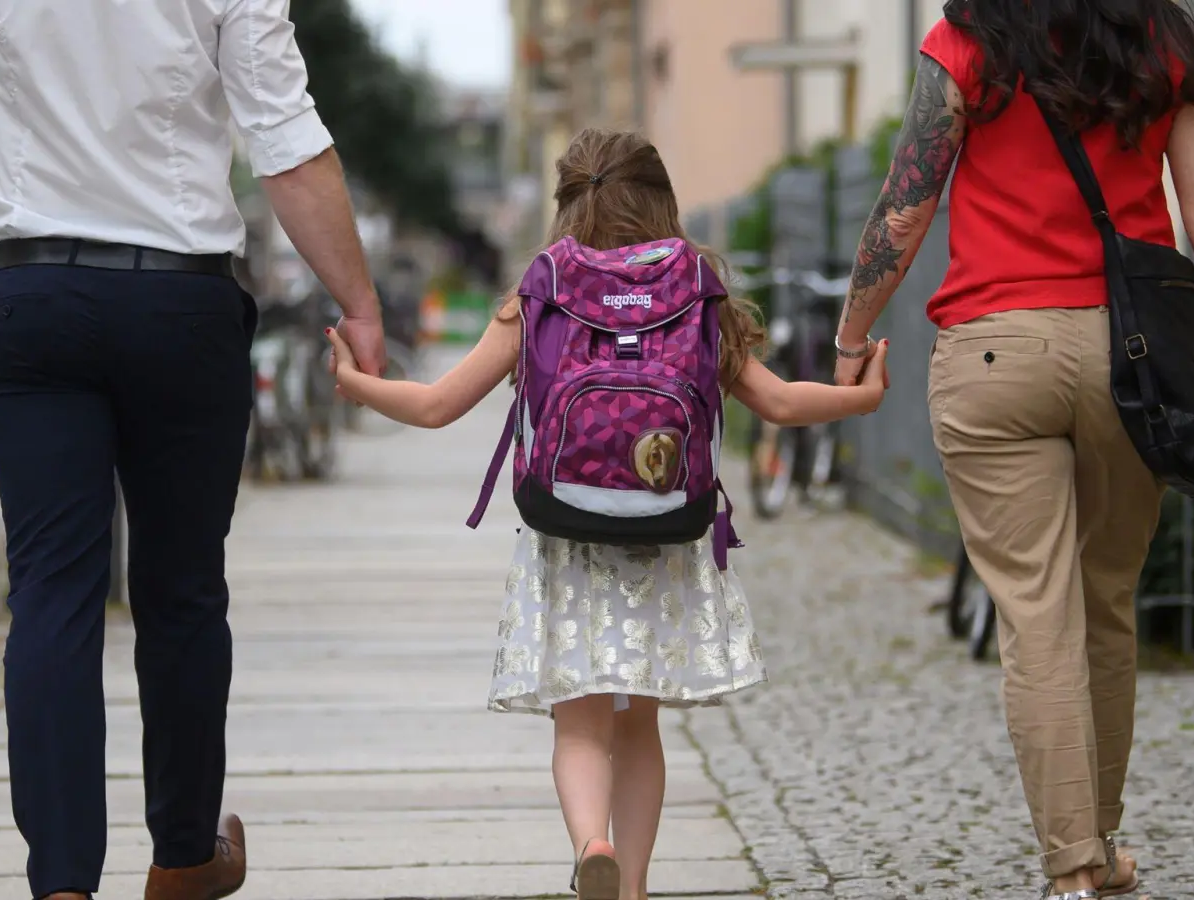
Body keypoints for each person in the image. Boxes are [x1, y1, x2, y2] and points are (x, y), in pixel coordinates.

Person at [0, 3, 388, 899]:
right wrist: (362, 306)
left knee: (50, 593)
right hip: (182, 300)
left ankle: (63, 884)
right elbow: (288, 143)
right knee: (182, 593)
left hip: (41, 293)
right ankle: (184, 856)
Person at [323, 128, 889, 900]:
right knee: (639, 728)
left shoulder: (545, 283)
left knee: (580, 724)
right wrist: (861, 396)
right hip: (663, 532)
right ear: (661, 199)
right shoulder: (693, 281)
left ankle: (593, 843)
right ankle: (637, 887)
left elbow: (436, 405)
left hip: (567, 533)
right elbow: (781, 401)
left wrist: (359, 385)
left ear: (567, 203)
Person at [832, 3, 1194, 899]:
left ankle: (1073, 871)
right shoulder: (1168, 39)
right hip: (1134, 359)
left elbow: (905, 201)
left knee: (1036, 617)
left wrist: (851, 340)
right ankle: (1101, 845)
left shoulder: (967, 38)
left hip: (995, 356)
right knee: (1106, 605)